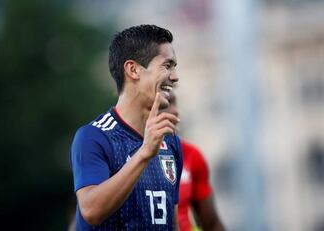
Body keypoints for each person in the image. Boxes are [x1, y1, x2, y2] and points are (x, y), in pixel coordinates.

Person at [70, 24, 182, 230]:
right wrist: (144, 153)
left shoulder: (170, 141)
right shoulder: (94, 137)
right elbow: (91, 211)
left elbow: (171, 224)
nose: (175, 77)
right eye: (167, 66)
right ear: (133, 70)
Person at [165, 92, 225, 231]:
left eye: (174, 102)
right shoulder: (127, 157)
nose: (175, 111)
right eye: (165, 104)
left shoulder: (190, 155)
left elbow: (212, 224)